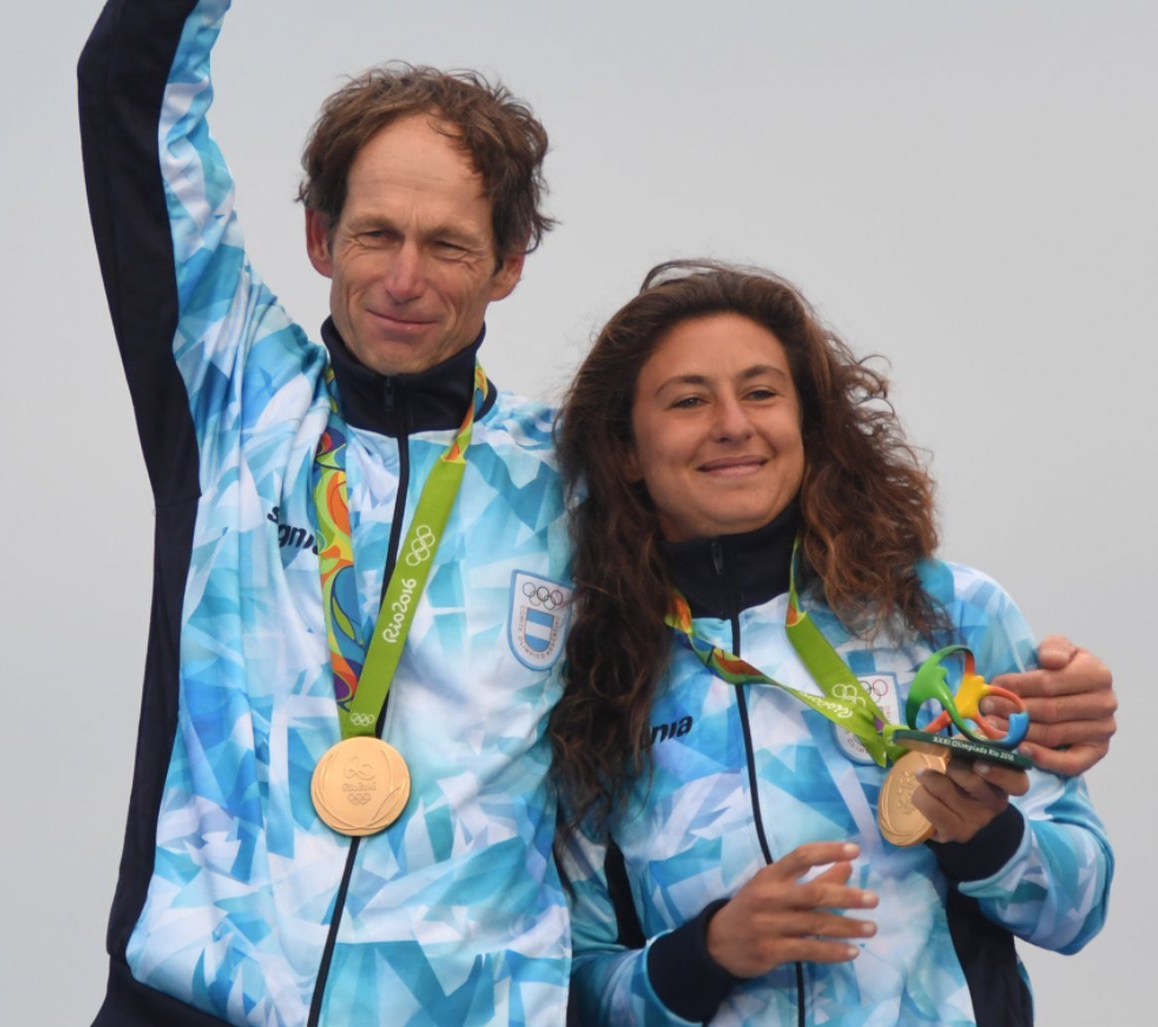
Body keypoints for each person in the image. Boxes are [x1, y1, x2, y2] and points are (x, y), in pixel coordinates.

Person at [76, 0, 1115, 1024]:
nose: (404, 278)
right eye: (376, 233)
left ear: (508, 262)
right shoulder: (234, 401)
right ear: (319, 235)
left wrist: (1053, 699)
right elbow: (128, 96)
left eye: (448, 244)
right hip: (194, 1005)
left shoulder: (573, 480)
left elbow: (773, 553)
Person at [550, 261, 1112, 1026]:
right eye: (688, 400)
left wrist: (987, 839)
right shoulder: (594, 671)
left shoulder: (948, 614)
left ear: (807, 422)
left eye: (761, 392)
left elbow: (1080, 906)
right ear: (624, 449)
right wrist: (707, 953)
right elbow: (574, 987)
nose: (733, 424)